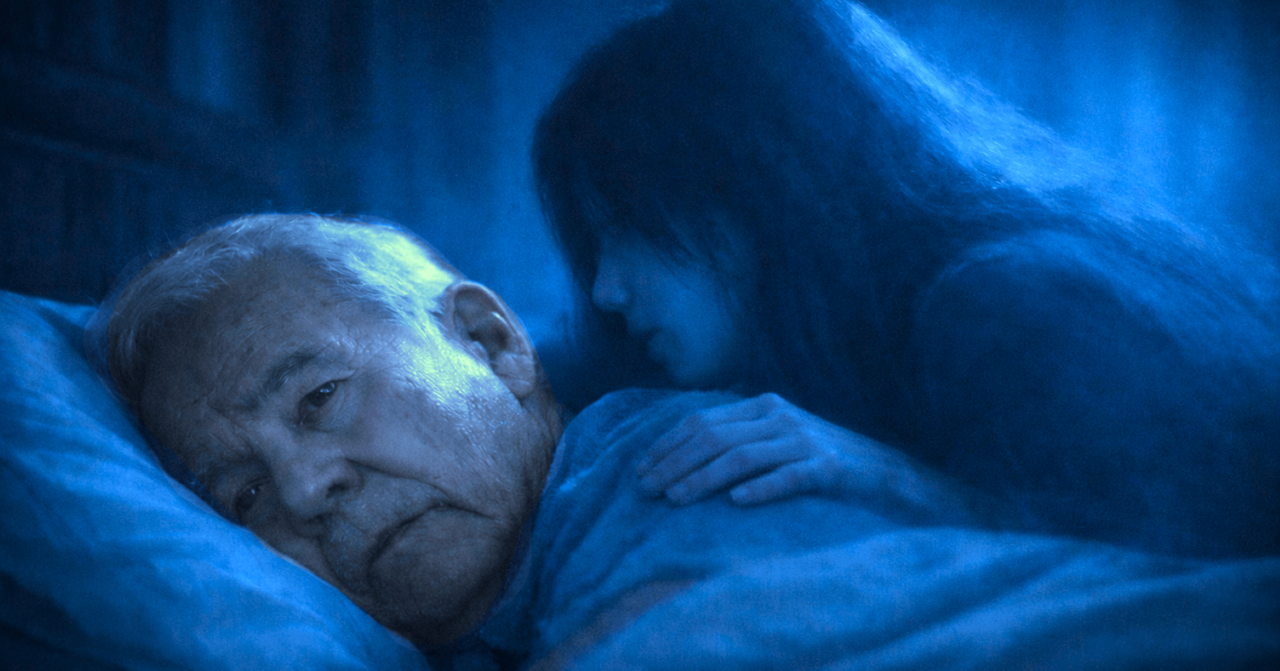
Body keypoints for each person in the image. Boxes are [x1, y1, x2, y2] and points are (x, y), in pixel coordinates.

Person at [533, 0, 1280, 558]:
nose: (606, 288)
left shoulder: (1011, 301)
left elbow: (1192, 587)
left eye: (629, 229)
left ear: (757, 190)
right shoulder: (820, 341)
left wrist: (902, 481)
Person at [100, 213, 989, 656]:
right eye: (245, 495)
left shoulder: (693, 463)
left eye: (319, 398)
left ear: (489, 343)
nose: (302, 492)